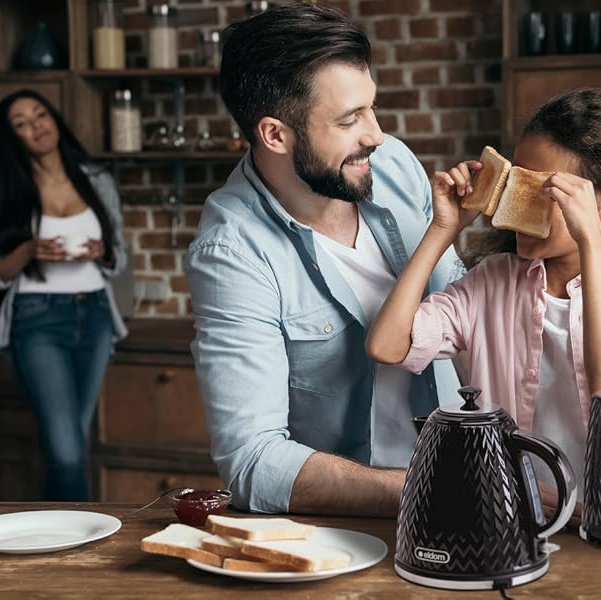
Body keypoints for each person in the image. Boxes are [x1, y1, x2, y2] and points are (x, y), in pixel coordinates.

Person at [366, 87, 601, 520]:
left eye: (547, 192)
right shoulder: (494, 281)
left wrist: (590, 242)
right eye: (517, 185)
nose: (516, 207)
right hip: (505, 518)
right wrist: (443, 228)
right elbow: (386, 346)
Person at [184, 3, 464, 517]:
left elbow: (462, 314)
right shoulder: (232, 252)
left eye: (371, 108)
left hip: (475, 473)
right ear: (275, 134)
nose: (375, 135)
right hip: (358, 523)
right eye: (349, 119)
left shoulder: (394, 165)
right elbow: (252, 460)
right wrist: (432, 491)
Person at [0, 89, 128, 501]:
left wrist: (103, 252)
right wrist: (27, 251)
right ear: (12, 139)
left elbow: (119, 257)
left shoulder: (97, 180)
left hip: (95, 316)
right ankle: (79, 545)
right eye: (21, 124)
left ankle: (55, 538)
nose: (36, 127)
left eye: (40, 115)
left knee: (71, 446)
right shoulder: (3, 193)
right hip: (37, 319)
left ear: (54, 120)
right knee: (66, 453)